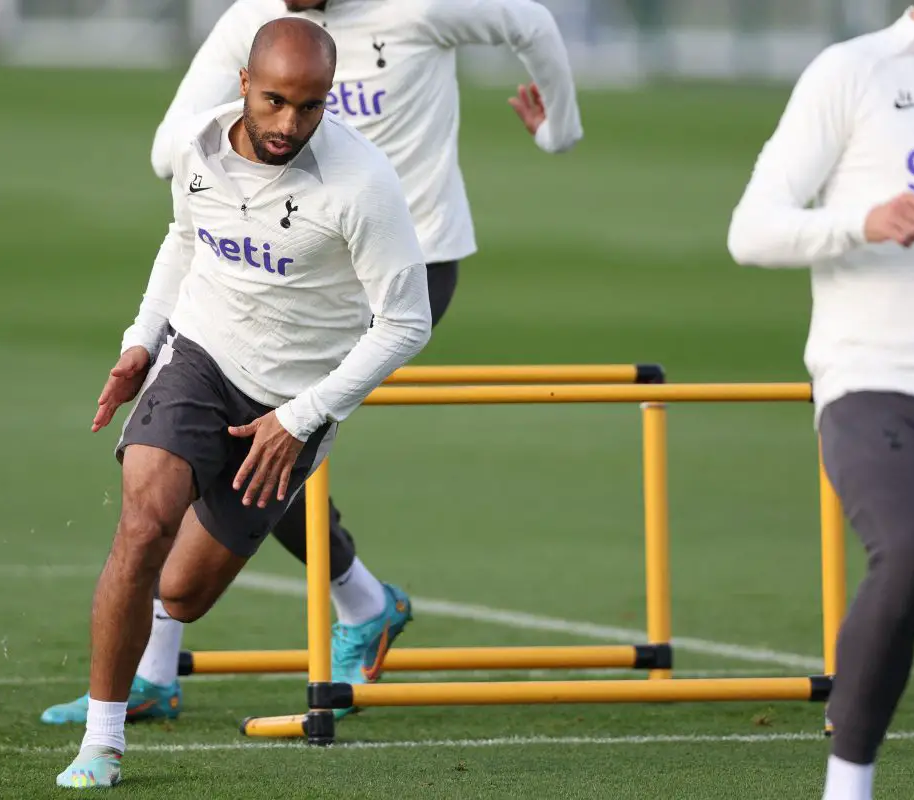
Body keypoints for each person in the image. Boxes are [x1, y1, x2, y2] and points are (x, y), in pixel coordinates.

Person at [40, 0, 583, 727]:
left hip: (405, 262)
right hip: (283, 254)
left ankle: (315, 613)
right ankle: (177, 660)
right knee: (233, 440)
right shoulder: (260, 19)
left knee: (281, 429)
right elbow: (172, 148)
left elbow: (533, 25)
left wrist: (560, 131)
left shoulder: (422, 8)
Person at [54, 17, 432, 788]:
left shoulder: (361, 183)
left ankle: (355, 602)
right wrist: (141, 340)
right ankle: (103, 740)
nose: (289, 123)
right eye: (274, 101)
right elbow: (184, 240)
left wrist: (301, 419)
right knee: (142, 524)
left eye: (311, 105)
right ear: (243, 87)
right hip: (198, 357)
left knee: (182, 595)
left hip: (294, 401)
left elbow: (406, 322)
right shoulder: (196, 148)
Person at [726, 3, 914, 799]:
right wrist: (860, 222)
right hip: (876, 384)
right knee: (911, 547)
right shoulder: (855, 70)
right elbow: (752, 230)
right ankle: (847, 788)